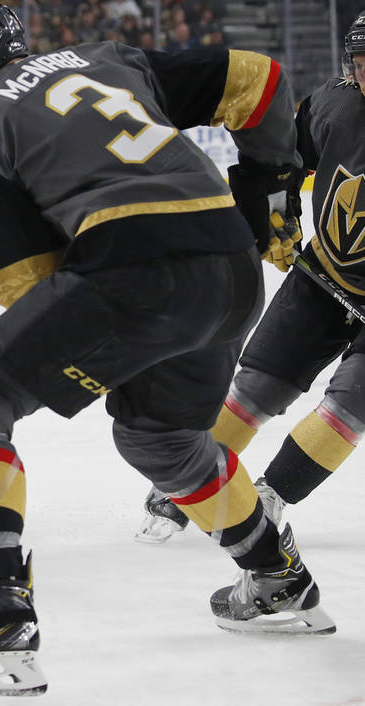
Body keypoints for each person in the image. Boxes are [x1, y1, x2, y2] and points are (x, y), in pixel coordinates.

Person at [0, 1, 333, 696]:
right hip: (230, 265)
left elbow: (28, 288)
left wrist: (98, 349)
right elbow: (262, 80)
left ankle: (0, 610)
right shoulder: (111, 58)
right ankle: (278, 578)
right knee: (159, 441)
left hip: (137, 268)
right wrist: (266, 187)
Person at [137, 11, 365, 542]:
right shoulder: (335, 103)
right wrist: (277, 207)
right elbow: (282, 159)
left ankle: (271, 495)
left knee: (351, 402)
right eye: (362, 61)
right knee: (257, 385)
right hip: (325, 275)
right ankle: (189, 480)